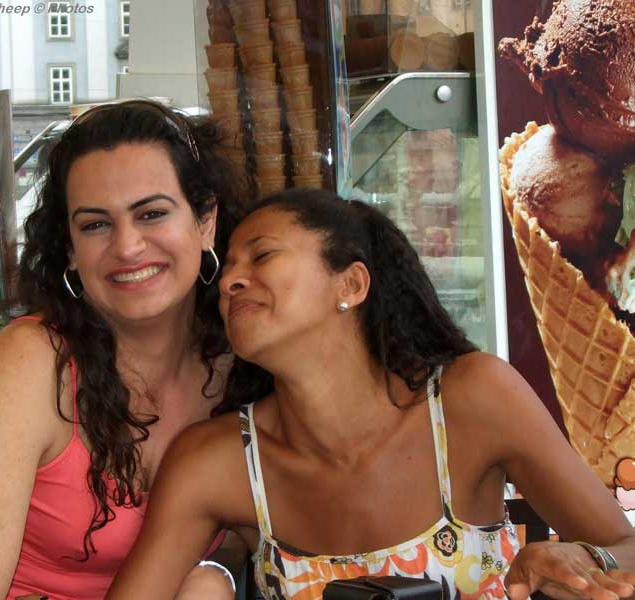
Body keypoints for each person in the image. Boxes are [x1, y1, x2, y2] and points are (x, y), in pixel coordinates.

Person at [108, 188, 635, 600]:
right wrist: (212, 580)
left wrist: (587, 562)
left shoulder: (471, 397)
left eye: (261, 255)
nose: (229, 283)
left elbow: (627, 546)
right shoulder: (214, 461)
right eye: (227, 270)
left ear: (351, 285)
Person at [0, 99, 248, 600]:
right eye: (95, 225)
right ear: (69, 248)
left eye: (152, 213)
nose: (127, 247)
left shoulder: (242, 360)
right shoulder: (31, 365)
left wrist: (217, 573)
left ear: (205, 222)